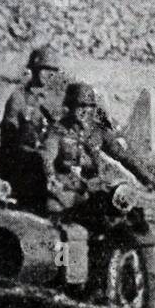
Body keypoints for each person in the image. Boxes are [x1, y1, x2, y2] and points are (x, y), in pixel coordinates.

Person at [0, 46, 66, 211]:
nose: (49, 74)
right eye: (45, 69)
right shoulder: (18, 98)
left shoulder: (56, 101)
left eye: (53, 71)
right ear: (34, 69)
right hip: (25, 165)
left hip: (51, 162)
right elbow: (8, 137)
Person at [41, 82, 108, 215]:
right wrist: (51, 177)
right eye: (81, 105)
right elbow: (47, 156)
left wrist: (148, 179)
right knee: (54, 210)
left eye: (90, 106)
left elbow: (124, 155)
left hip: (93, 191)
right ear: (70, 106)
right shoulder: (57, 131)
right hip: (67, 193)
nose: (86, 110)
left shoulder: (97, 132)